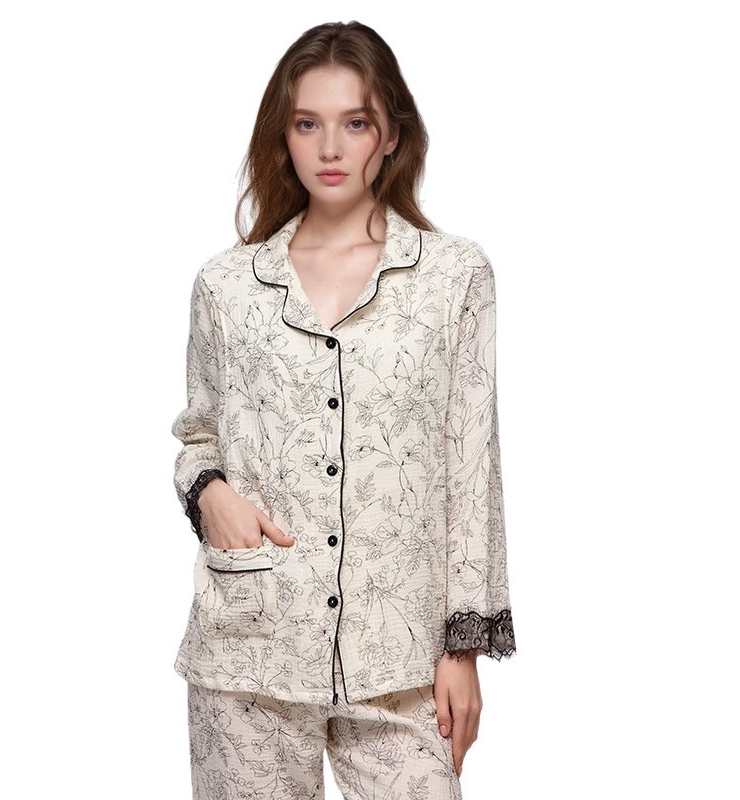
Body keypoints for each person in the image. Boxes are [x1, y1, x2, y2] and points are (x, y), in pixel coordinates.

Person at [170, 20, 517, 800]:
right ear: (283, 135)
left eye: (355, 123)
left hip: (400, 656)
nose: (330, 148)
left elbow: (471, 465)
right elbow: (198, 436)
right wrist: (210, 493)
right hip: (249, 646)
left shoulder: (453, 277)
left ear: (390, 135)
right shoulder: (227, 285)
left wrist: (463, 647)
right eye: (307, 124)